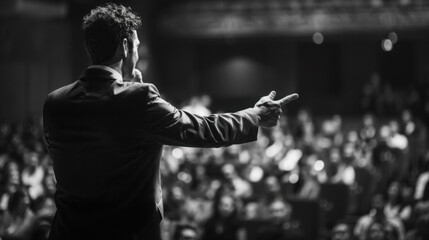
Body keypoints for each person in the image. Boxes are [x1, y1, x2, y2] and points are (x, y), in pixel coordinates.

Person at [42, 3, 298, 240]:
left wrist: (130, 88)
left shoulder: (55, 102)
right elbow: (202, 130)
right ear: (125, 46)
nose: (138, 52)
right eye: (137, 45)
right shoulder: (139, 98)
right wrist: (255, 115)